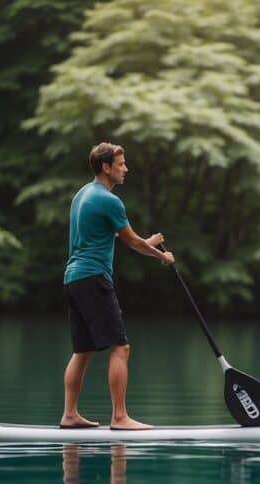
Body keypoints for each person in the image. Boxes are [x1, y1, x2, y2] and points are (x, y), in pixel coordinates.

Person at [60, 142, 174, 430]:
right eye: (121, 164)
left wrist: (146, 245)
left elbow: (112, 237)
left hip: (73, 279)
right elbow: (132, 242)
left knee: (82, 350)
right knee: (120, 348)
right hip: (93, 278)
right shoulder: (110, 200)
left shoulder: (82, 195)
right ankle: (120, 418)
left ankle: (70, 415)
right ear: (106, 167)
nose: (126, 169)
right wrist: (163, 257)